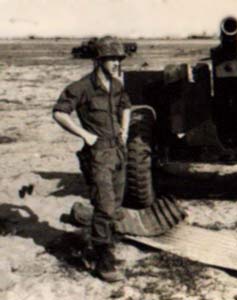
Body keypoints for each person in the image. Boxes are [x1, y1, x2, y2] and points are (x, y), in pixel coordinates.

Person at [52, 36, 131, 282]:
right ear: (98, 60)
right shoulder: (82, 87)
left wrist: (124, 130)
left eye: (119, 59)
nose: (117, 63)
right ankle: (101, 260)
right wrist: (85, 135)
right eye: (111, 59)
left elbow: (126, 106)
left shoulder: (116, 86)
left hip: (118, 151)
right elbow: (59, 113)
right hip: (98, 156)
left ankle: (107, 247)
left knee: (116, 205)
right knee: (104, 206)